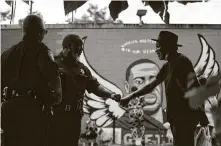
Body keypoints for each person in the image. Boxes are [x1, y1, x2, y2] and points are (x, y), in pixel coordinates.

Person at [120, 31, 207, 146]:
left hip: (184, 117)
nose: (156, 50)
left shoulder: (182, 62)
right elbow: (151, 85)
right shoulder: (167, 66)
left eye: (158, 46)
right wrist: (130, 96)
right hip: (176, 118)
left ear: (166, 47)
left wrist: (202, 114)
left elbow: (195, 88)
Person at [49, 34, 121, 146]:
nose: (81, 50)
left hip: (74, 118)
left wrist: (111, 95)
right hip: (56, 117)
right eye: (78, 46)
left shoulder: (82, 69)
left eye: (81, 47)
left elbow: (95, 86)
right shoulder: (53, 64)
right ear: (68, 46)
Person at [1, 14, 62, 146]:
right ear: (40, 32)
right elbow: (55, 87)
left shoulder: (6, 54)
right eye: (44, 32)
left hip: (8, 109)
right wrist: (51, 102)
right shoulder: (42, 51)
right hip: (32, 110)